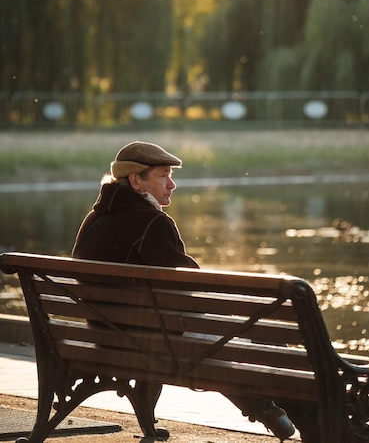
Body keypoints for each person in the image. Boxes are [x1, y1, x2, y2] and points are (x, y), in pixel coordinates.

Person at [72, 140, 297, 441]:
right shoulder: (153, 222)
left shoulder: (94, 219)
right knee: (258, 335)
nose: (172, 184)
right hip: (149, 341)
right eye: (163, 176)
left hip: (107, 335)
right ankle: (302, 416)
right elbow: (194, 287)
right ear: (136, 181)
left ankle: (268, 410)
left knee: (223, 334)